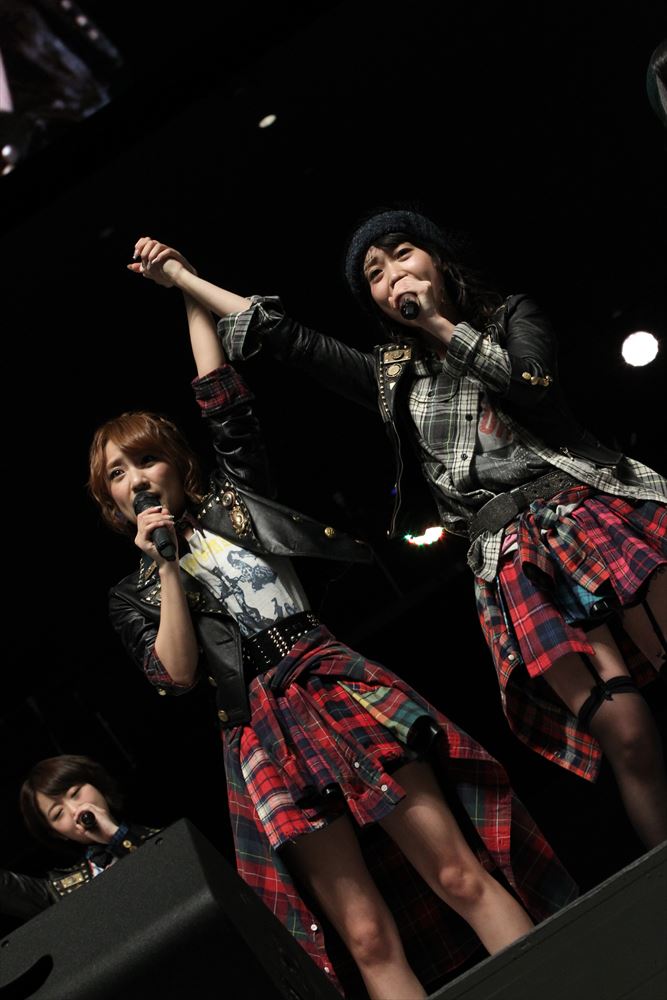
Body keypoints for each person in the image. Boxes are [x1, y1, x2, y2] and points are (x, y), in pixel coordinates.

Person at [87, 237, 577, 1000]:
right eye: (117, 474)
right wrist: (165, 566)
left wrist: (181, 284)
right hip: (257, 726)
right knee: (365, 935)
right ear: (111, 501)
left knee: (455, 871)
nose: (136, 479)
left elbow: (220, 394)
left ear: (176, 466)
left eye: (145, 460)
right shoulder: (134, 591)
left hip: (329, 676)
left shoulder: (234, 501)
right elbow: (175, 675)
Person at [158, 209, 667, 855]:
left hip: (589, 510)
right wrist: (182, 277)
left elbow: (530, 386)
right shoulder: (390, 377)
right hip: (512, 554)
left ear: (437, 260)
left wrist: (436, 324)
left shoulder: (511, 317)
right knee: (627, 736)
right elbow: (287, 338)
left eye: (401, 255)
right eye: (374, 273)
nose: (392, 274)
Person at [1, 754, 158, 924]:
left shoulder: (165, 837)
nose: (75, 810)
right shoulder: (60, 891)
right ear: (57, 833)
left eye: (75, 793)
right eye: (58, 814)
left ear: (96, 785)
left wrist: (116, 836)